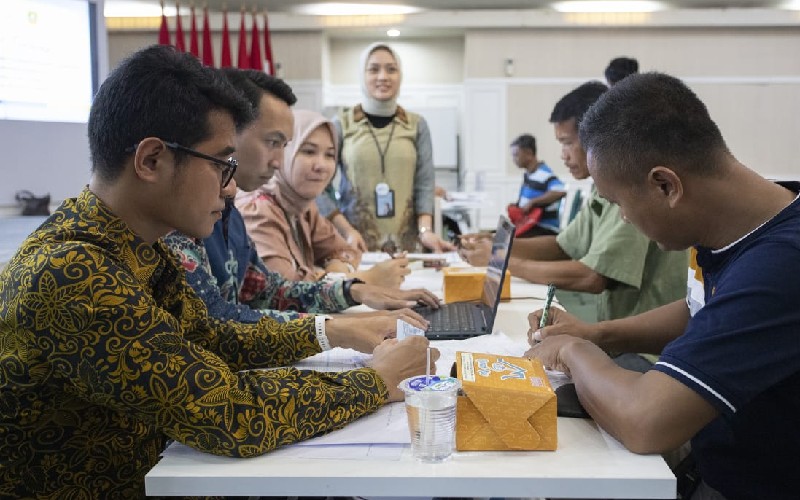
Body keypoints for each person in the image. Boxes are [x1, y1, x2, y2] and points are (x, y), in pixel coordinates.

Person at [0, 45, 436, 498]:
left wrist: (338, 334)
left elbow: (215, 336)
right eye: (221, 166)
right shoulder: (72, 269)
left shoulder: (136, 245)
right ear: (151, 160)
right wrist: (374, 382)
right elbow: (225, 412)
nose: (231, 190)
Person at [525, 72, 800, 500]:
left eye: (619, 203)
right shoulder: (740, 224)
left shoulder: (781, 263)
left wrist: (572, 350)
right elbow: (700, 308)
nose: (622, 219)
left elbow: (645, 422)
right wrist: (596, 334)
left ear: (665, 185)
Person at [164, 69, 439, 324]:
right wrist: (340, 324)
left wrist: (354, 290)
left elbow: (267, 290)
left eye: (284, 146)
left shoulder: (231, 212)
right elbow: (216, 326)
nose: (279, 161)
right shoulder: (190, 219)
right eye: (274, 143)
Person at [461, 82, 687, 329]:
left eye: (568, 143)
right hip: (620, 332)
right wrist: (498, 244)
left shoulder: (630, 186)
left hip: (645, 347)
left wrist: (501, 259)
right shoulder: (600, 188)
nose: (563, 155)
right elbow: (564, 246)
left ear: (596, 137)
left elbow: (593, 277)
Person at [236, 108, 412, 288]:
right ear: (284, 152)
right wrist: (361, 280)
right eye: (309, 151)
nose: (321, 165)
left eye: (329, 155)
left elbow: (345, 251)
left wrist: (332, 274)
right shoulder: (258, 209)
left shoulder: (303, 206)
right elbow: (283, 293)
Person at [317, 42, 456, 253]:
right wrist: (345, 230)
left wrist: (426, 229)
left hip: (409, 248)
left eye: (391, 69)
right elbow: (320, 185)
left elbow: (425, 183)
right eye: (373, 69)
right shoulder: (342, 124)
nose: (383, 76)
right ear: (362, 75)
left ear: (400, 76)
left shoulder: (416, 125)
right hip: (355, 246)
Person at [507, 133, 566, 237]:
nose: (514, 159)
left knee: (509, 241)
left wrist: (533, 202)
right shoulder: (528, 175)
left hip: (543, 227)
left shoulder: (544, 173)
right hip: (529, 223)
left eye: (516, 155)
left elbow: (560, 191)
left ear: (529, 154)